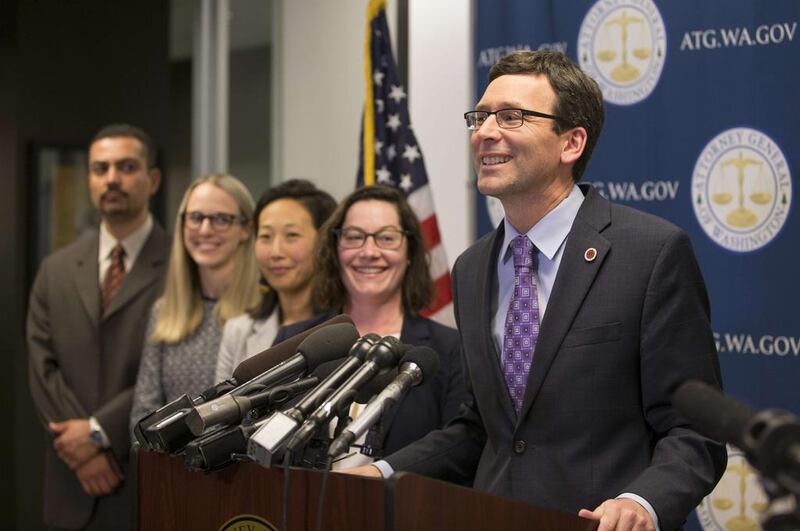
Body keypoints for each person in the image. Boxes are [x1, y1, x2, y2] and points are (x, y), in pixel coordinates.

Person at [346, 51, 727, 531]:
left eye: (511, 117)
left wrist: (642, 502)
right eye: (480, 117)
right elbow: (481, 428)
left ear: (571, 143)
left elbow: (696, 429)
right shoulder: (472, 268)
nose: (484, 132)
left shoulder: (649, 254)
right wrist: (378, 472)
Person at [27, 124, 169, 530]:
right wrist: (82, 450)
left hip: (145, 478)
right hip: (70, 485)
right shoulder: (55, 270)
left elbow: (170, 373)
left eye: (126, 167)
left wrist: (98, 433)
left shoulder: (184, 267)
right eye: (100, 168)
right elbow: (42, 367)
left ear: (152, 179)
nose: (111, 178)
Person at [274, 184, 467, 465]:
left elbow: (458, 451)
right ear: (335, 249)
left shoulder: (449, 349)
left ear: (409, 250)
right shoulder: (294, 340)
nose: (369, 252)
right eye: (354, 237)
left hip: (400, 506)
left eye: (386, 238)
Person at [129, 174, 261, 431]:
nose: (205, 230)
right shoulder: (164, 312)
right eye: (196, 218)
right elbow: (144, 416)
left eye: (221, 219)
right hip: (172, 468)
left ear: (246, 229)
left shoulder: (265, 312)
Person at [214, 180, 337, 383]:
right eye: (265, 236)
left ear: (324, 242)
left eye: (291, 235)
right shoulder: (238, 331)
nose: (276, 252)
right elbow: (219, 410)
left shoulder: (349, 325)